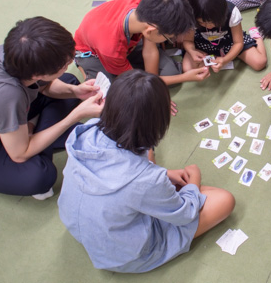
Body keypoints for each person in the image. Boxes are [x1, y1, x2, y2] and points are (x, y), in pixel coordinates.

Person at [58, 70, 235, 273]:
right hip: (124, 256)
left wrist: (163, 174)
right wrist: (194, 180)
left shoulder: (87, 130)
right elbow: (185, 215)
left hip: (80, 226)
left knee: (160, 176)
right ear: (158, 123)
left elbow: (116, 167)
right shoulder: (148, 181)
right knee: (224, 199)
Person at [0, 17, 103, 199]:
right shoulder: (7, 96)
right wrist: (75, 116)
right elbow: (20, 154)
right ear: (37, 73)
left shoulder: (14, 54)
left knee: (69, 82)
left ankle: (32, 130)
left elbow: (44, 85)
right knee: (40, 176)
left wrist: (75, 92)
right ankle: (33, 132)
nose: (69, 65)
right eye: (65, 65)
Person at [74, 0, 210, 92]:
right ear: (151, 31)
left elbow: (150, 52)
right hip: (93, 54)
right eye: (169, 38)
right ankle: (84, 67)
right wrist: (184, 77)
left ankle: (128, 68)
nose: (171, 40)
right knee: (109, 94)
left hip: (127, 42)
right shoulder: (111, 49)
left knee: (169, 73)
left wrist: (153, 84)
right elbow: (138, 83)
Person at [182, 0, 267, 73]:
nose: (209, 26)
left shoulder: (232, 12)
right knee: (188, 69)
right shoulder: (191, 15)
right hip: (202, 44)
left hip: (229, 42)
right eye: (202, 22)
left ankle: (256, 35)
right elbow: (188, 40)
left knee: (260, 62)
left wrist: (225, 60)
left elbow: (238, 43)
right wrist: (192, 51)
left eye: (212, 22)